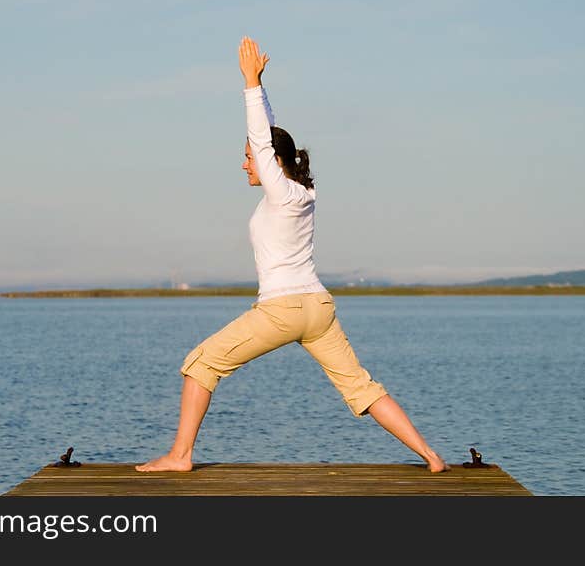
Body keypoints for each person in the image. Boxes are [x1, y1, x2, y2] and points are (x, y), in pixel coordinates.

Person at [135, 36, 448, 473]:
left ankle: (180, 456)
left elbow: (264, 141)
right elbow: (270, 135)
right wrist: (260, 87)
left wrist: (247, 83)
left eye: (249, 158)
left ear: (270, 160)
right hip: (318, 309)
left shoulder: (281, 192)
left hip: (282, 308)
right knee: (360, 386)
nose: (246, 165)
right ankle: (432, 457)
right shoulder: (302, 191)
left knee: (200, 363)